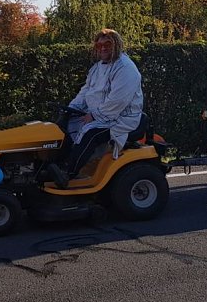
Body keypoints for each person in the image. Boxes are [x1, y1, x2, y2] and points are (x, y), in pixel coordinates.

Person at [50, 28, 144, 189]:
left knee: (90, 134)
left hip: (120, 118)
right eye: (99, 45)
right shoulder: (97, 68)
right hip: (99, 115)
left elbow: (118, 101)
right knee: (63, 126)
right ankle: (55, 165)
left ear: (117, 45)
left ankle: (68, 173)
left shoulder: (125, 68)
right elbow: (86, 91)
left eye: (107, 44)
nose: (103, 48)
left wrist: (95, 115)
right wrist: (70, 109)